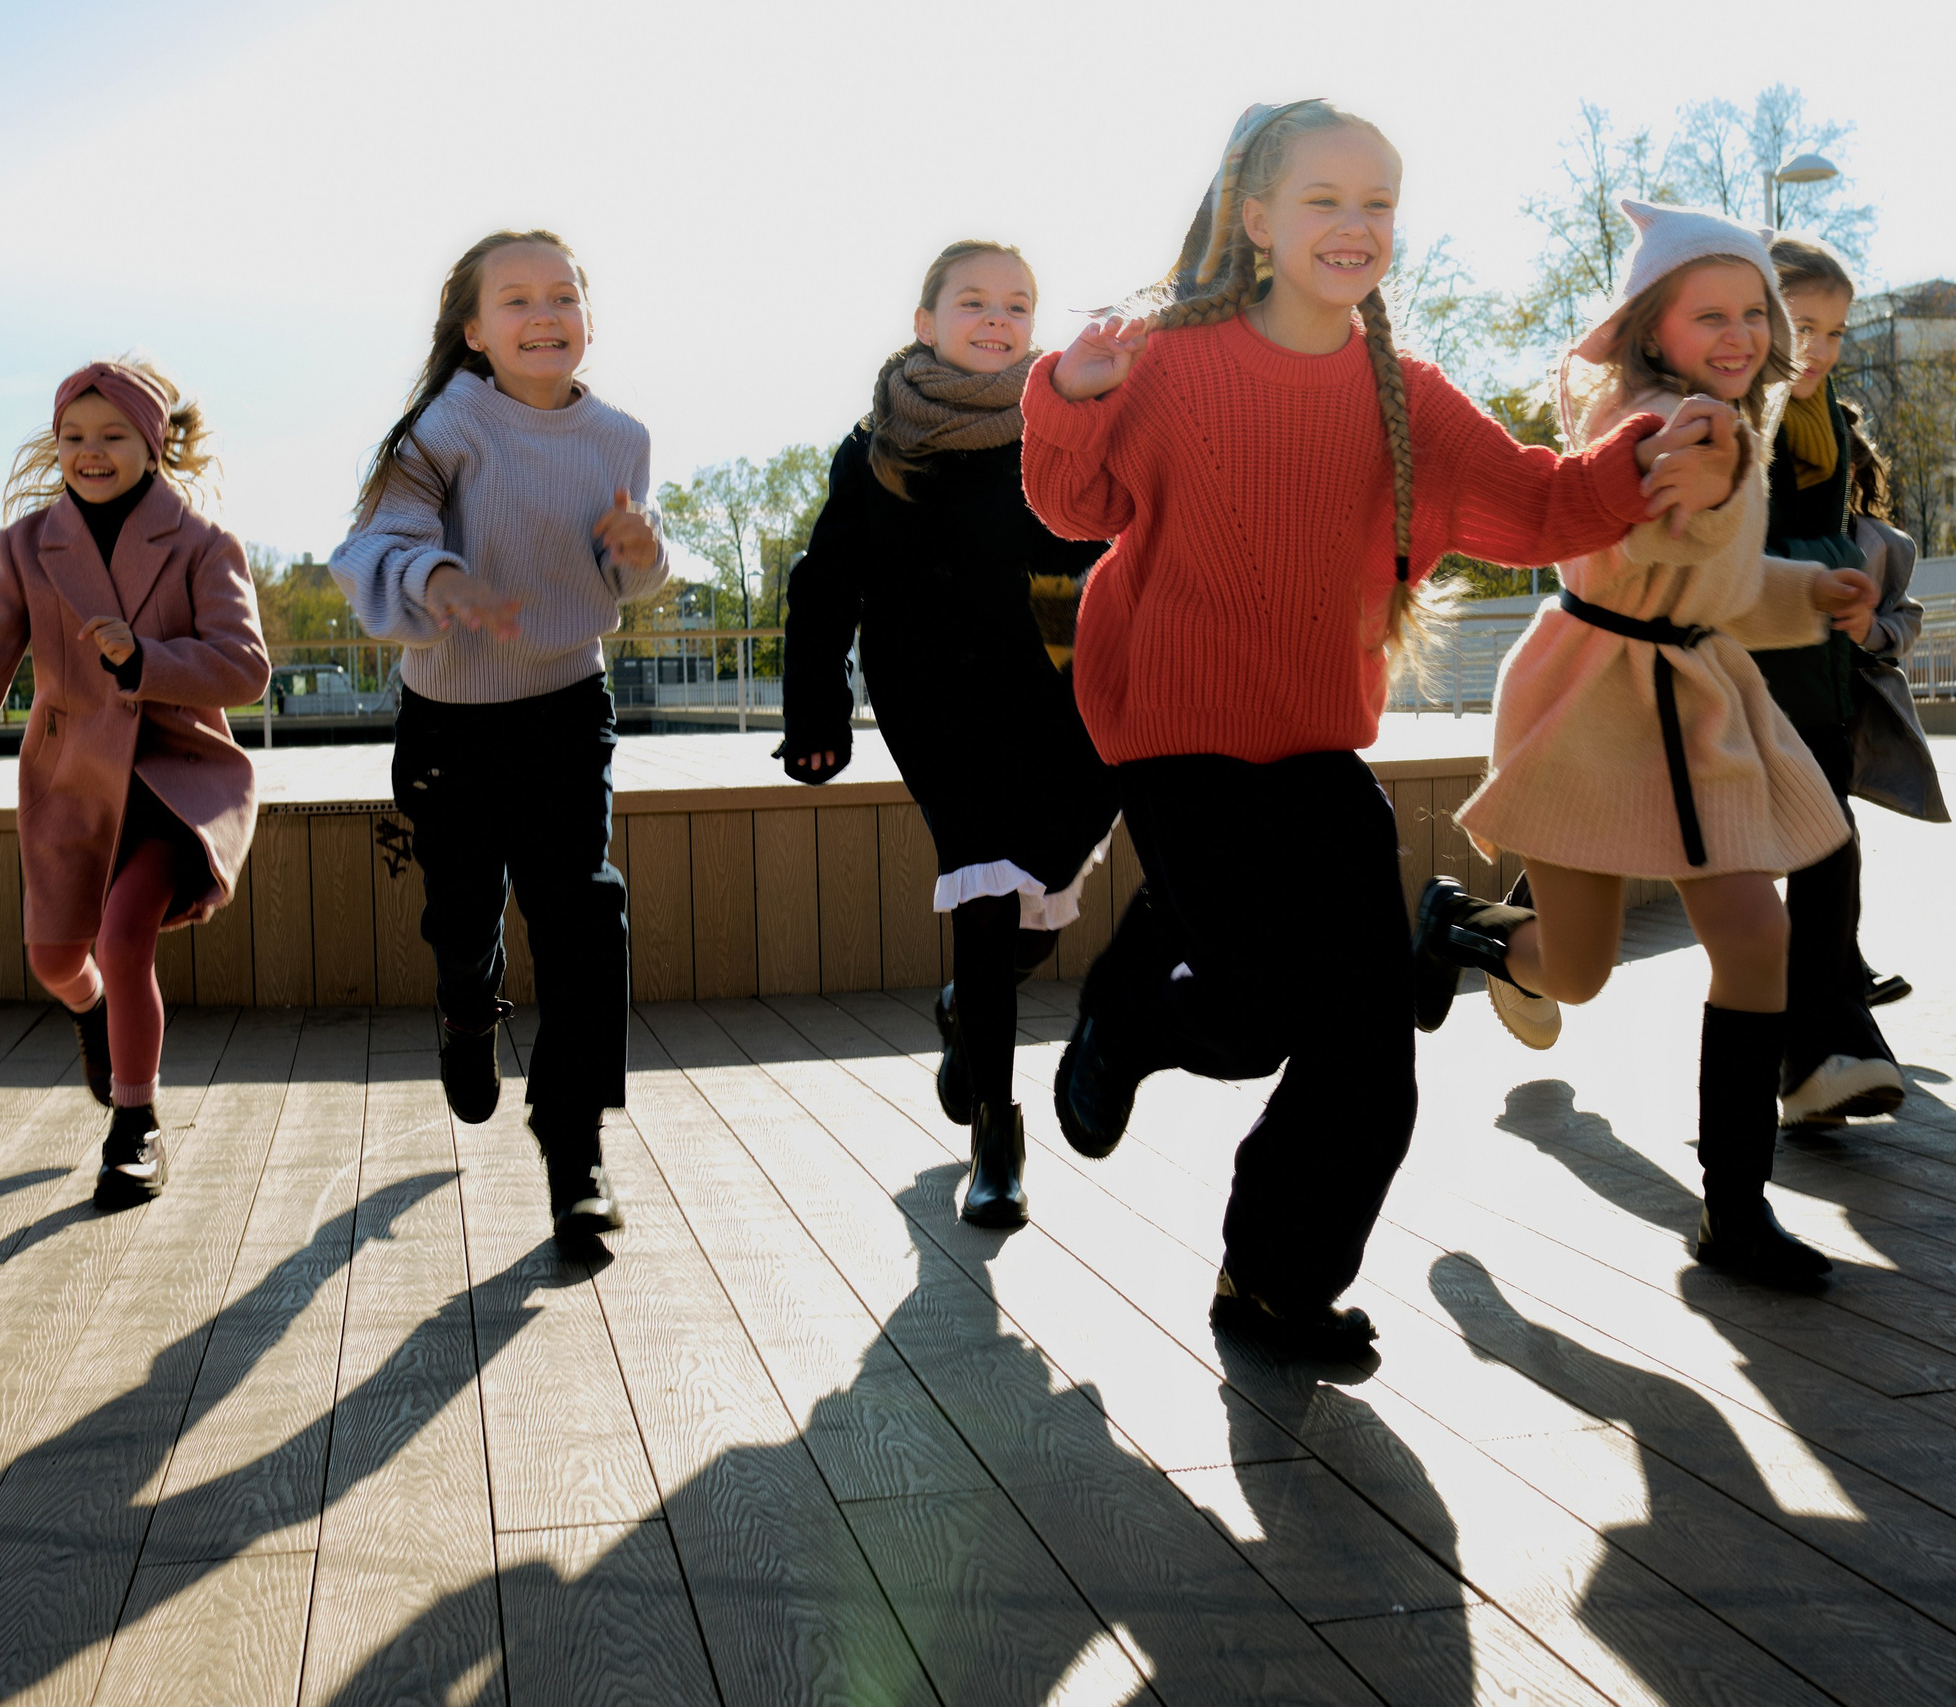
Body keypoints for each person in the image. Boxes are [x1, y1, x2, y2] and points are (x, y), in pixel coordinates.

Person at [1024, 105, 1737, 1357]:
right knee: (1252, 1020)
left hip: (1313, 743)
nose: (1355, 224)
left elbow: (1541, 505)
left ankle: (1274, 1283)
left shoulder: (1406, 396)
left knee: (1368, 1046)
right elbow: (1072, 505)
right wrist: (1067, 393)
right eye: (1324, 200)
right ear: (1256, 221)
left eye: (1378, 203)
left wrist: (1649, 455)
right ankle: (1131, 1013)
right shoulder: (1168, 360)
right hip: (1177, 734)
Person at [1413, 200, 1880, 1289]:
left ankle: (1735, 1210)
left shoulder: (1731, 427)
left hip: (1695, 705)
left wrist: (1811, 591)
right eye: (1708, 315)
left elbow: (1716, 589)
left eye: (1753, 312)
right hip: (1590, 704)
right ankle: (1465, 929)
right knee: (1576, 973)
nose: (1739, 334)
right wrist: (1702, 480)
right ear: (1648, 329)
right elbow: (1633, 559)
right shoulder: (1645, 424)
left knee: (1753, 935)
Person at [331, 229, 668, 1245]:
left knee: (583, 910)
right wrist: (444, 579)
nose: (544, 314)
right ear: (473, 331)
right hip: (450, 718)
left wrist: (643, 552)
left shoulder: (620, 438)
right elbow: (377, 547)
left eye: (562, 295)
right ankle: (466, 1008)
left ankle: (576, 1149)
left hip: (567, 703)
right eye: (515, 299)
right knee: (461, 909)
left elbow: (627, 572)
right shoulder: (443, 429)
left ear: (588, 319)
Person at [778, 240, 1116, 1230]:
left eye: (1017, 303)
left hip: (1058, 674)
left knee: (1040, 899)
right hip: (933, 688)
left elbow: (1106, 551)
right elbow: (825, 585)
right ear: (925, 323)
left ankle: (968, 1006)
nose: (997, 318)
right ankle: (996, 1141)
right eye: (973, 301)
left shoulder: (1062, 425)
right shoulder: (878, 445)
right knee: (985, 882)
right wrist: (816, 713)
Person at [0, 360, 268, 1207]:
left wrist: (146, 661)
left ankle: (135, 1128)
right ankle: (94, 1010)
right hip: (72, 782)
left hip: (173, 778)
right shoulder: (27, 547)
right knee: (56, 958)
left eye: (111, 435)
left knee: (123, 934)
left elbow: (246, 666)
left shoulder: (203, 543)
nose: (89, 452)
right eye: (72, 436)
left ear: (153, 444)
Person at [1756, 236, 1943, 1125]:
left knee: (1830, 851)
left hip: (1816, 684)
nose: (1822, 349)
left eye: (1835, 331)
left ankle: (1821, 1053)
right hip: (1741, 683)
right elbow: (1728, 555)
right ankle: (1493, 932)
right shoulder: (1733, 413)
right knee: (1621, 862)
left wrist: (1859, 605)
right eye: (1803, 327)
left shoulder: (1824, 416)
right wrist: (1830, 569)